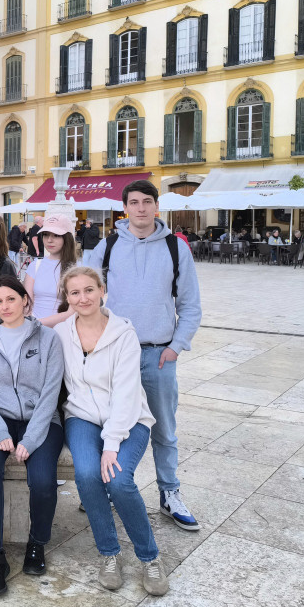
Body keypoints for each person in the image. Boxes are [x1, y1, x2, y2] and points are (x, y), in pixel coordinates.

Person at [83, 180, 202, 532]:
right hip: (114, 353)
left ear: (156, 207)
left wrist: (176, 346)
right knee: (108, 423)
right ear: (125, 208)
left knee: (164, 428)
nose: (140, 209)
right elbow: (84, 295)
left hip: (157, 354)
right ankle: (108, 487)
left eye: (146, 202)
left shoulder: (175, 248)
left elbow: (191, 305)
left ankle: (169, 493)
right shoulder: (107, 246)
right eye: (133, 202)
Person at [55, 266, 169, 596]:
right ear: (67, 298)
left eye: (89, 290)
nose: (83, 297)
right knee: (88, 475)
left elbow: (126, 392)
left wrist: (111, 443)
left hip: (129, 420)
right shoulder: (64, 332)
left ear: (102, 290)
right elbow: (29, 325)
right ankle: (109, 554)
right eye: (74, 292)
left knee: (118, 480)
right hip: (82, 417)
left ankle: (150, 558)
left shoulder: (124, 335)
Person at [0, 275, 64, 594]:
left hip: (40, 420)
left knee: (42, 479)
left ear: (25, 300)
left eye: (11, 299)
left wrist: (31, 440)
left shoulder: (48, 338)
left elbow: (51, 392)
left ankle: (36, 543)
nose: (5, 306)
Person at [23, 214, 78, 325]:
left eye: (56, 235)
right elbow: (26, 304)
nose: (49, 240)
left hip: (62, 330)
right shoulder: (35, 265)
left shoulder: (76, 269)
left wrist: (37, 324)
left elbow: (72, 312)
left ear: (66, 238)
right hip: (34, 331)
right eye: (45, 235)